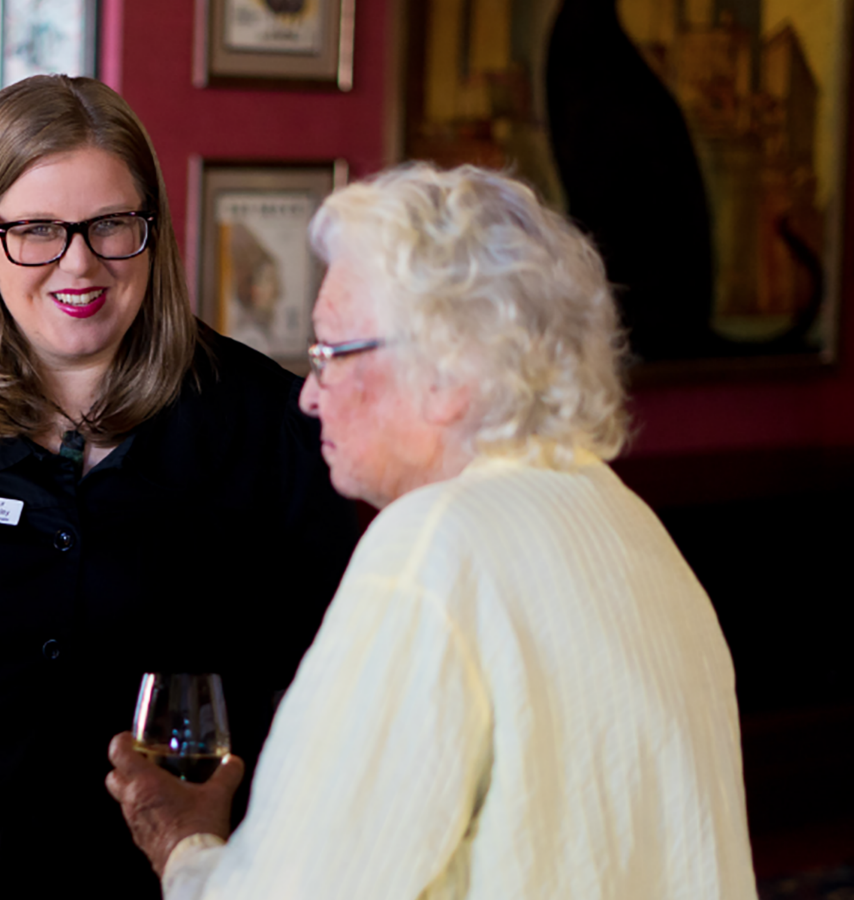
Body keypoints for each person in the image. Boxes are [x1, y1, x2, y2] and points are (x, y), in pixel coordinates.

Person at [106, 163, 757, 899]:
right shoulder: (626, 524)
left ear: (448, 373)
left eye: (332, 353)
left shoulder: (433, 546)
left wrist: (184, 845)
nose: (311, 396)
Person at [0, 75, 358, 899]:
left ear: (152, 231)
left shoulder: (268, 425)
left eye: (111, 225)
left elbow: (332, 694)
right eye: (37, 230)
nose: (79, 263)